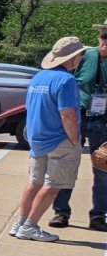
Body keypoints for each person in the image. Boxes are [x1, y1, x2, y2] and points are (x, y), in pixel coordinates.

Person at [11, 35, 87, 241]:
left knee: (34, 183)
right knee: (53, 185)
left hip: (38, 138)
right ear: (72, 58)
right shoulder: (67, 80)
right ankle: (30, 226)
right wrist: (75, 140)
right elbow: (67, 115)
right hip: (59, 139)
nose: (80, 59)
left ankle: (20, 223)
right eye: (80, 55)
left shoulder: (38, 77)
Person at [50, 23, 107, 230]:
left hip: (104, 120)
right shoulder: (84, 56)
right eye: (104, 36)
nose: (105, 41)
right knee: (68, 163)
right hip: (79, 116)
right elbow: (65, 81)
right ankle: (61, 213)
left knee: (103, 168)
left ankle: (98, 216)